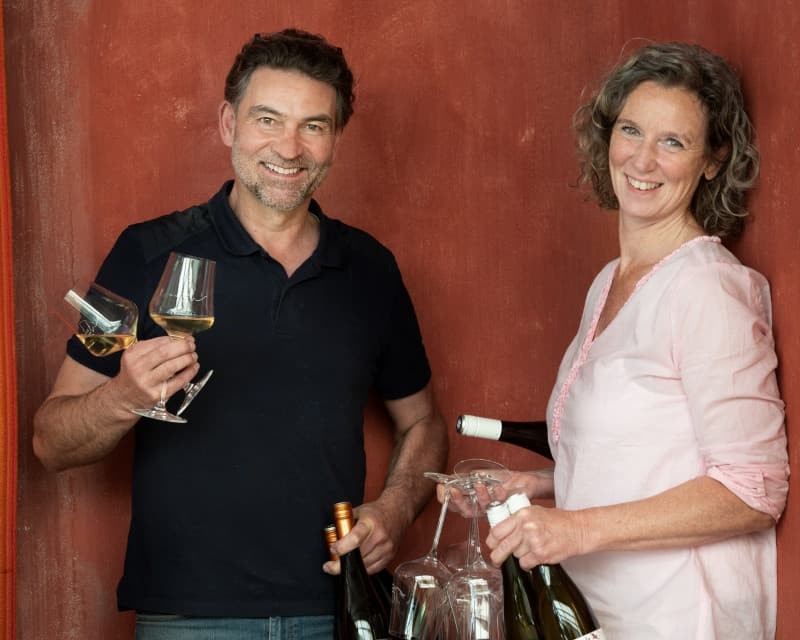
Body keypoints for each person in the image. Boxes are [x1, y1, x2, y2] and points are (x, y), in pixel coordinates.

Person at [33, 29, 448, 640]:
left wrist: (395, 509)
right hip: (189, 617)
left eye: (313, 125)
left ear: (335, 139)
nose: (289, 146)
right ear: (229, 124)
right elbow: (50, 440)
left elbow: (424, 424)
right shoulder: (145, 252)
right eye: (267, 119)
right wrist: (123, 397)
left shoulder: (370, 270)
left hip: (337, 606)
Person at [457, 42, 788, 638]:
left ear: (713, 161)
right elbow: (646, 457)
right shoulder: (610, 281)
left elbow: (751, 491)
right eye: (631, 130)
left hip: (681, 617)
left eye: (673, 142)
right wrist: (539, 488)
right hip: (602, 614)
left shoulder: (709, 290)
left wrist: (574, 529)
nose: (642, 158)